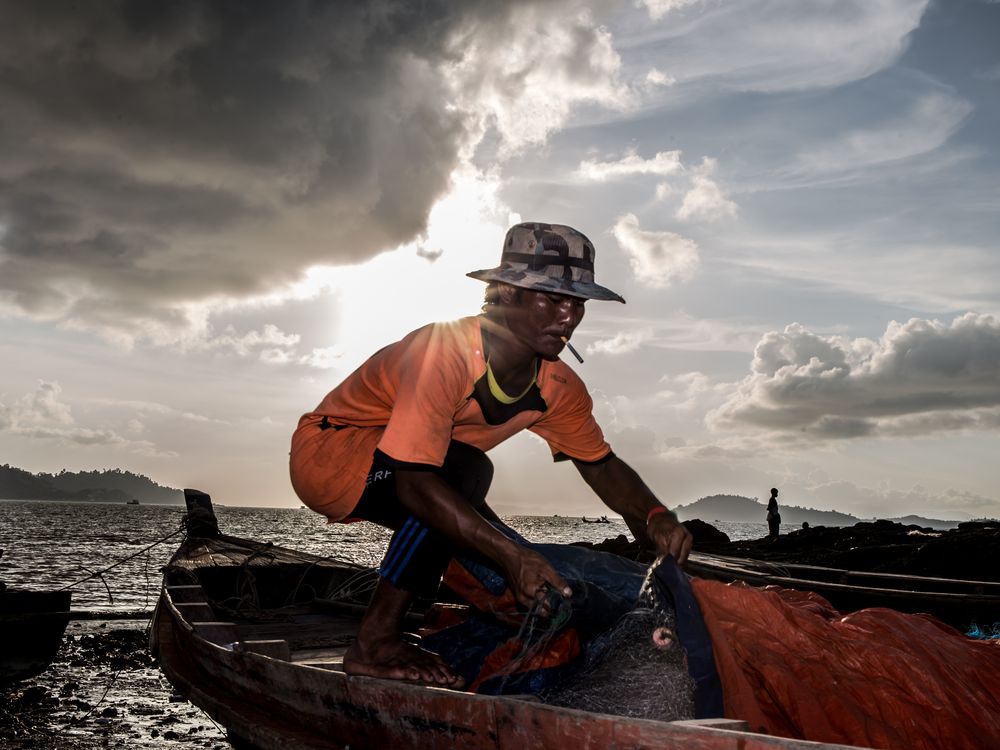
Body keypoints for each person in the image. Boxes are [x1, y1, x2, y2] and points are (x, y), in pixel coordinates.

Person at [289, 221, 692, 688]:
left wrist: (655, 515)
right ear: (506, 292)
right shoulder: (445, 352)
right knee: (470, 480)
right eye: (551, 299)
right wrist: (509, 557)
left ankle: (477, 613)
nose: (568, 316)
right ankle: (375, 642)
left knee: (500, 543)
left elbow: (600, 465)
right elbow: (415, 482)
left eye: (577, 303)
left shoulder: (559, 386)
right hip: (332, 457)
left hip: (431, 469)